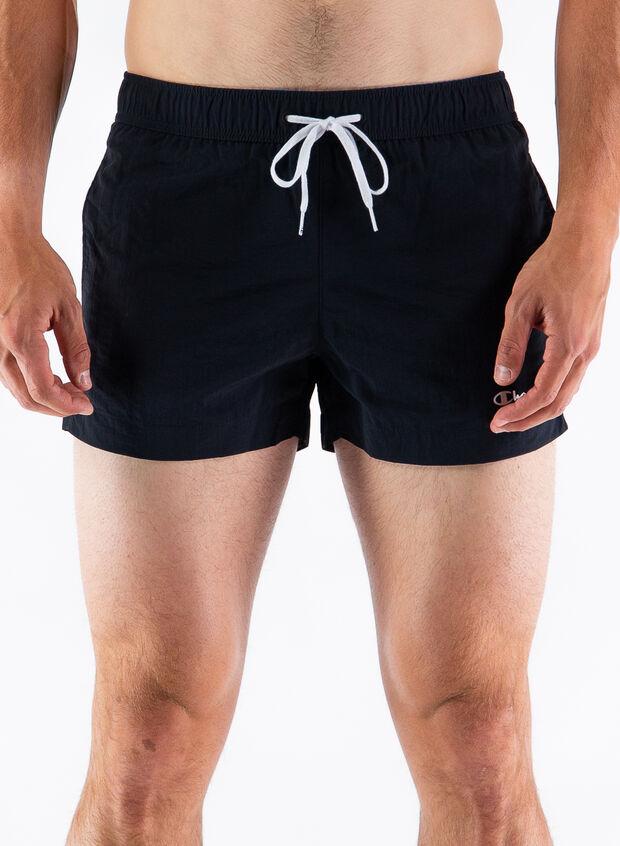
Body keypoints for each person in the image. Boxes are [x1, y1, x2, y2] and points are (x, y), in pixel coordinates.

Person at [0, 1, 618, 844]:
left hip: (447, 189)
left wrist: (591, 224)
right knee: (149, 736)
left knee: (480, 736)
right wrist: (10, 216)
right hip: (186, 186)